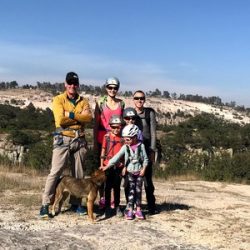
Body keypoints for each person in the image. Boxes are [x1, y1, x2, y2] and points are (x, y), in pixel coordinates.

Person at [39, 72, 92, 218]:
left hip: (80, 140)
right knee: (55, 172)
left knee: (79, 174)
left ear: (78, 85)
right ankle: (45, 204)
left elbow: (88, 117)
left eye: (75, 83)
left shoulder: (84, 100)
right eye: (70, 83)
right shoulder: (58, 99)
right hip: (63, 138)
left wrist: (71, 114)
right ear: (65, 84)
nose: (72, 86)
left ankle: (77, 204)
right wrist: (78, 118)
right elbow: (60, 120)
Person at [101, 124, 148, 220]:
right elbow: (116, 157)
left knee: (138, 191)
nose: (126, 141)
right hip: (130, 172)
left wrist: (144, 169)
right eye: (125, 139)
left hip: (139, 172)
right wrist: (107, 166)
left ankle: (138, 209)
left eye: (128, 139)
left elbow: (146, 159)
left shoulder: (141, 146)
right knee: (131, 190)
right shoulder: (125, 147)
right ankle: (130, 209)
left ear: (135, 137)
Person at [93, 77, 125, 208]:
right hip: (103, 138)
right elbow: (96, 123)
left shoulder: (121, 103)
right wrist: (94, 142)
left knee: (116, 169)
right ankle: (102, 198)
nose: (113, 90)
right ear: (106, 88)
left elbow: (122, 122)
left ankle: (112, 200)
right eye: (110, 87)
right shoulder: (100, 102)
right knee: (103, 170)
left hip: (117, 140)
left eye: (115, 88)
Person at [133, 90, 157, 215]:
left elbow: (153, 133)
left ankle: (151, 206)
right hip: (134, 150)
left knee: (147, 179)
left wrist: (153, 150)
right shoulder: (130, 113)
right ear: (133, 99)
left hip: (147, 149)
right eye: (137, 98)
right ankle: (132, 206)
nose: (139, 100)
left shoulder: (150, 113)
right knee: (131, 179)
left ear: (144, 99)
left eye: (141, 98)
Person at [100, 115, 124, 218]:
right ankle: (107, 208)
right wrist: (101, 163)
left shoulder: (122, 139)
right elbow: (103, 150)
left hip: (118, 165)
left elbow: (124, 153)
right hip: (107, 165)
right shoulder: (106, 137)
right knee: (107, 187)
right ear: (110, 126)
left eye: (118, 127)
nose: (116, 129)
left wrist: (123, 165)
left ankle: (117, 206)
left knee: (117, 187)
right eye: (113, 127)